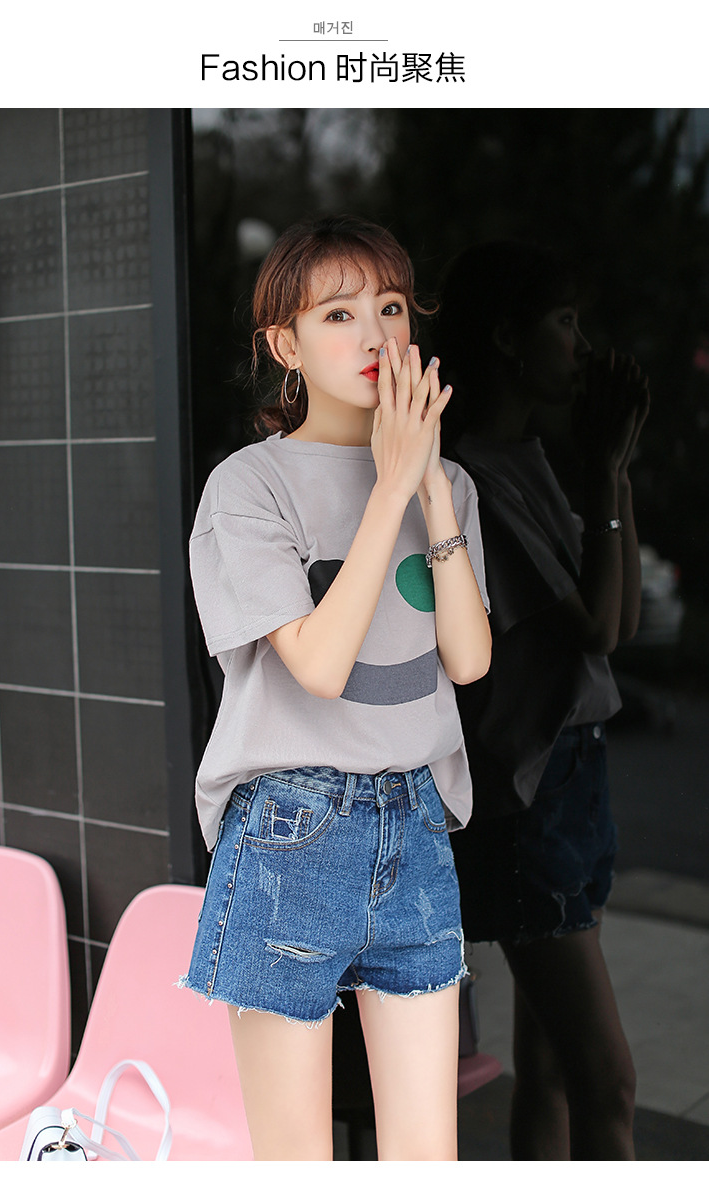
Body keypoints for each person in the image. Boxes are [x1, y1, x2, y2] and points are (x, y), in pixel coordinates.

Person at [179, 215, 492, 1161]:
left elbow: (469, 659)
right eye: (339, 314)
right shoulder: (249, 487)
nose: (375, 335)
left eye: (391, 307)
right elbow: (315, 665)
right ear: (286, 345)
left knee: (427, 1161)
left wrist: (427, 486)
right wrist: (391, 489)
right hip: (292, 830)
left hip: (417, 824)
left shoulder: (451, 485)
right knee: (298, 1165)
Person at [434, 239, 649, 1160]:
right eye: (564, 322)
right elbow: (594, 626)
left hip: (567, 786)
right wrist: (603, 469)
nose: (581, 345)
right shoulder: (471, 481)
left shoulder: (521, 459)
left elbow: (621, 618)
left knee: (555, 1068)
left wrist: (614, 470)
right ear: (507, 339)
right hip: (531, 803)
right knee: (609, 1080)